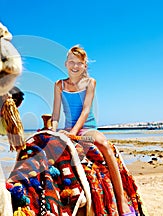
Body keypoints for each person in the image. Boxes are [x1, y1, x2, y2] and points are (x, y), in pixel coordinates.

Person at [51, 45, 134, 216]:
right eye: (71, 62)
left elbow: (85, 110)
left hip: (86, 128)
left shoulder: (90, 82)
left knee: (104, 145)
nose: (75, 66)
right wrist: (53, 131)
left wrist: (73, 133)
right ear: (66, 64)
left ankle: (121, 201)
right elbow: (55, 114)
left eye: (79, 63)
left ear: (84, 66)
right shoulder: (59, 85)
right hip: (67, 129)